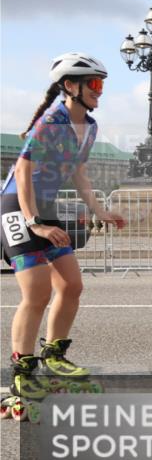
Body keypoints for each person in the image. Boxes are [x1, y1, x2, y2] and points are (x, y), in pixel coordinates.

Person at [1, 52, 126, 412]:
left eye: (102, 85)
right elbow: (23, 172)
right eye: (95, 85)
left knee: (72, 285)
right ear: (70, 86)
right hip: (16, 206)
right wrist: (34, 222)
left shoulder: (90, 127)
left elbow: (79, 174)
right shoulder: (51, 122)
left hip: (48, 208)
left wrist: (100, 210)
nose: (100, 92)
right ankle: (22, 374)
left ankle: (54, 357)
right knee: (37, 292)